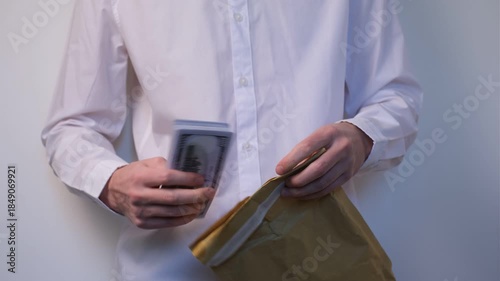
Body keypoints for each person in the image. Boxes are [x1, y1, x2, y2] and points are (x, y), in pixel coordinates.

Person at [42, 0, 422, 280]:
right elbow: (71, 126)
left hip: (319, 262)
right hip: (173, 267)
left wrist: (362, 138)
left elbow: (395, 99)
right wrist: (110, 182)